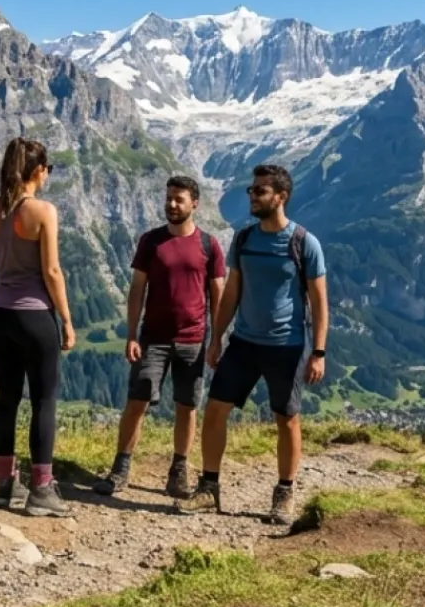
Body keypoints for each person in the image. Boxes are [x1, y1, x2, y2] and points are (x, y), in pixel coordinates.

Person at [176, 163, 329, 525]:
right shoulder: (244, 239)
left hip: (287, 345)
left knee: (287, 419)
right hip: (244, 342)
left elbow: (320, 301)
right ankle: (209, 487)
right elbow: (231, 291)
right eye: (251, 190)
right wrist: (217, 339)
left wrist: (319, 352)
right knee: (215, 410)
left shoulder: (304, 242)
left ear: (281, 196)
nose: (252, 196)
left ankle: (285, 492)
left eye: (260, 191)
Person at [94, 175, 225, 499]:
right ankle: (120, 469)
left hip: (193, 340)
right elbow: (137, 289)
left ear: (195, 203)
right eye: (168, 198)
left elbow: (217, 294)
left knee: (187, 406)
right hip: (153, 339)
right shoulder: (151, 241)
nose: (171, 204)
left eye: (179, 199)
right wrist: (131, 335)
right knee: (136, 402)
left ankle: (178, 471)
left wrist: (217, 339)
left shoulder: (209, 245)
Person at [0, 137, 76, 518]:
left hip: (0, 314)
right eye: (48, 169)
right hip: (35, 316)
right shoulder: (43, 211)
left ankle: (5, 484)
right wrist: (66, 318)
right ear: (38, 171)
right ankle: (42, 489)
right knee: (43, 400)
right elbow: (51, 270)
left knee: (7, 398)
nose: (48, 175)